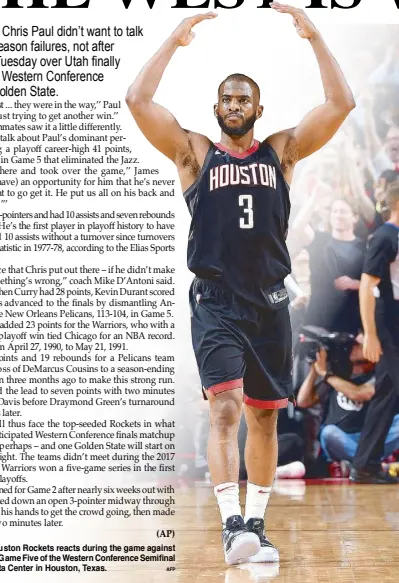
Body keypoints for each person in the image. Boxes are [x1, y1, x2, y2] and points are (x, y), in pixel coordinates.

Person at [126, 2, 355, 565]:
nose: (234, 105)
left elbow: (341, 104)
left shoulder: (282, 150)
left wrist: (316, 36)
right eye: (226, 98)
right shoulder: (194, 153)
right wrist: (175, 41)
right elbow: (137, 100)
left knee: (264, 414)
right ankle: (232, 526)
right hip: (217, 300)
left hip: (270, 304)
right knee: (224, 409)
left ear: (258, 107)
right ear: (216, 107)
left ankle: (256, 524)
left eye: (243, 98)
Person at [350, 182, 399, 483]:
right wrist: (370, 333)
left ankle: (365, 464)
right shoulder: (385, 236)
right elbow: (368, 285)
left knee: (386, 393)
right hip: (390, 324)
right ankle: (364, 464)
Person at [297, 345, 399, 465]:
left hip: (371, 438)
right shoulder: (337, 375)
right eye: (353, 343)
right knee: (328, 433)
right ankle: (368, 463)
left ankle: (361, 463)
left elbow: (359, 393)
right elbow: (303, 401)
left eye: (359, 343)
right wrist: (315, 370)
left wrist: (325, 374)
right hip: (344, 438)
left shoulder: (379, 374)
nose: (355, 345)